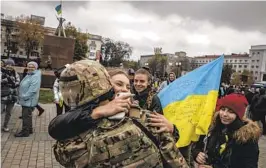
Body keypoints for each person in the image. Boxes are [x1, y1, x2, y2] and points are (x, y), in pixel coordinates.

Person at [49, 60, 188, 168]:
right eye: (119, 84)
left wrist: (172, 129)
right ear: (105, 86)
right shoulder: (80, 126)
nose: (124, 90)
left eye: (128, 86)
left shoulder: (143, 117)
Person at [192, 93, 261, 168]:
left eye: (231, 112)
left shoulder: (247, 137)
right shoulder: (212, 128)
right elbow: (198, 146)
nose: (224, 114)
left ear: (238, 115)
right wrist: (197, 154)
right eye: (223, 109)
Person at [15, 61, 41, 137]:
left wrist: (24, 97)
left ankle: (25, 132)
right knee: (28, 115)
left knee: (25, 116)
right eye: (29, 66)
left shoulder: (35, 76)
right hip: (26, 99)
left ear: (35, 68)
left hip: (28, 100)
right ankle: (29, 129)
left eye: (32, 67)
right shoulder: (30, 74)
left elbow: (33, 90)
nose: (30, 68)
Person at [1, 59, 20, 132]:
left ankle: (5, 126)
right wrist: (6, 80)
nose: (10, 66)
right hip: (2, 95)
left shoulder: (15, 73)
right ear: (5, 65)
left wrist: (13, 83)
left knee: (8, 113)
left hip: (12, 96)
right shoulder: (2, 72)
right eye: (8, 64)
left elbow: (17, 83)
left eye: (12, 65)